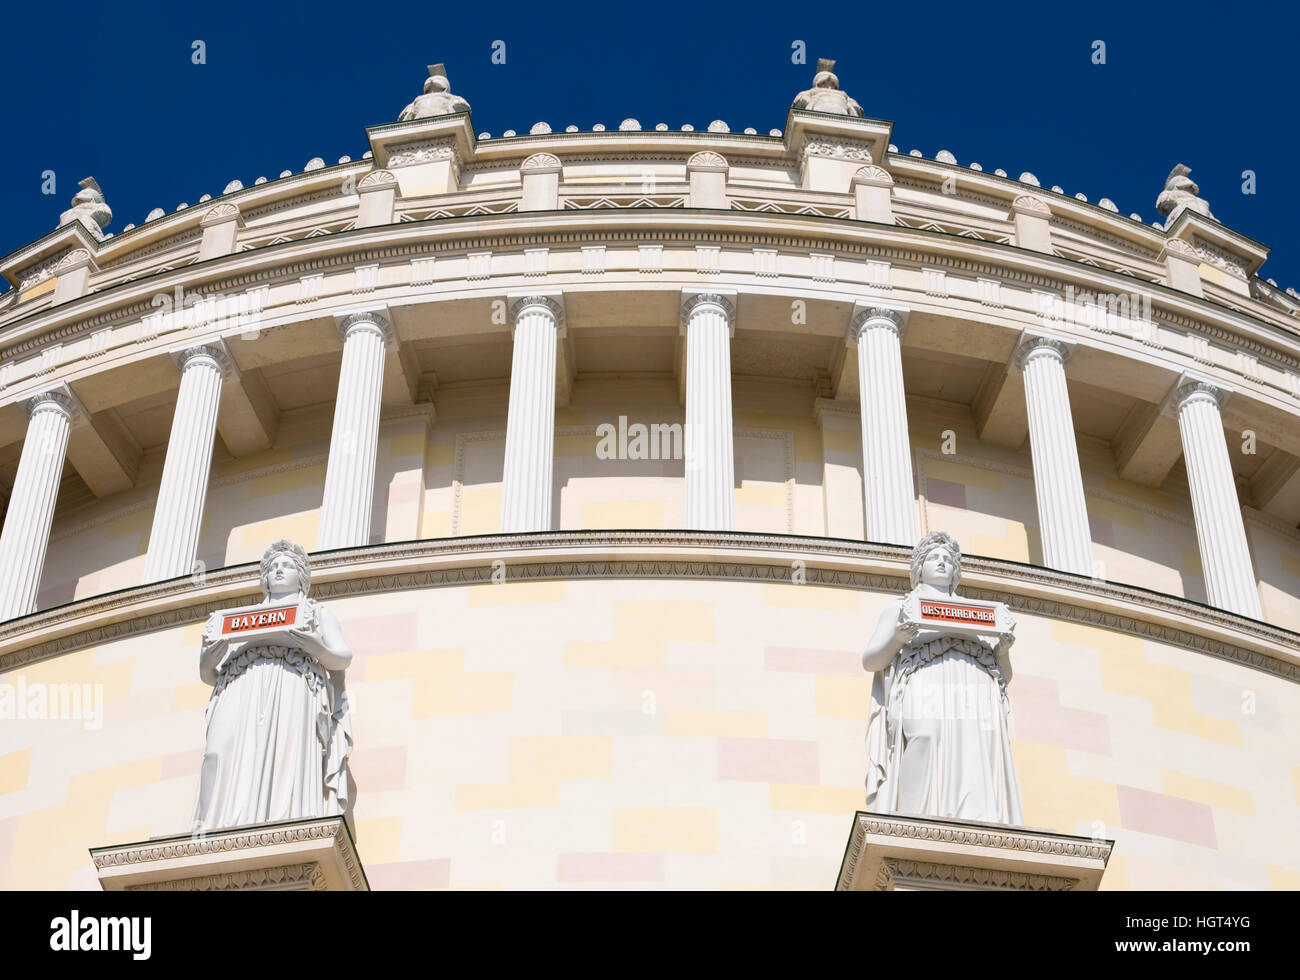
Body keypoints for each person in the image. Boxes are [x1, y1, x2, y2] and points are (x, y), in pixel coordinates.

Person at [861, 531, 1022, 824]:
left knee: (975, 752)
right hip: (924, 680)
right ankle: (912, 820)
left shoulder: (980, 613)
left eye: (948, 559)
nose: (941, 563)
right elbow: (871, 660)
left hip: (972, 688)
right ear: (919, 566)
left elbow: (1004, 677)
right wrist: (897, 638)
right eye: (933, 557)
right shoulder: (901, 608)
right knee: (923, 735)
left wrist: (1003, 651)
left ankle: (975, 822)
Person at [192, 540, 353, 831]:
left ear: (301, 576)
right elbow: (209, 675)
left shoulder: (316, 613)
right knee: (215, 752)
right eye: (273, 567)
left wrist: (318, 648)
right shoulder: (234, 620)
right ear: (264, 577)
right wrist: (207, 662)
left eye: (288, 565)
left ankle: (282, 823)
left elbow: (342, 657)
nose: (279, 570)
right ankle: (213, 825)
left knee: (285, 755)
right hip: (240, 685)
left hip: (292, 683)